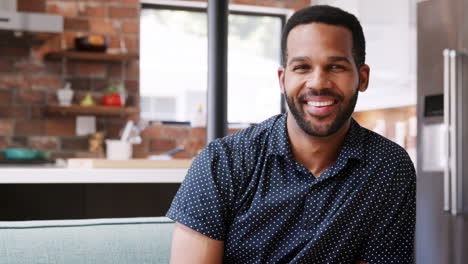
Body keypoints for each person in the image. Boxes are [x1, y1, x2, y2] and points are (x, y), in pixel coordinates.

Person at [167, 5, 416, 264]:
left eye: (335, 67)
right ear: (282, 79)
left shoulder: (389, 167)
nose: (318, 82)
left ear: (362, 78)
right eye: (302, 67)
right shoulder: (222, 162)